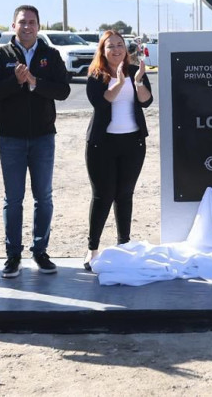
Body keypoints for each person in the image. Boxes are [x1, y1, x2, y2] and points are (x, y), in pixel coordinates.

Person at [0, 5, 71, 278]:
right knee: (13, 199)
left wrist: (34, 82)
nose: (27, 27)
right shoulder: (0, 55)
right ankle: (13, 256)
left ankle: (40, 252)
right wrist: (15, 81)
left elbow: (63, 91)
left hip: (43, 137)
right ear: (13, 26)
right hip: (10, 138)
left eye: (32, 22)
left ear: (38, 26)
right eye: (22, 22)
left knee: (43, 197)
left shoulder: (50, 55)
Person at [83, 30, 153, 270]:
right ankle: (92, 249)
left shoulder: (135, 71)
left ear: (126, 48)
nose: (116, 49)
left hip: (133, 143)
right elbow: (101, 103)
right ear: (102, 51)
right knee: (102, 196)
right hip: (102, 144)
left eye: (120, 45)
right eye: (110, 46)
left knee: (125, 194)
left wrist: (137, 82)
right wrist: (120, 83)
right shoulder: (96, 74)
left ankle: (124, 245)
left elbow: (146, 101)